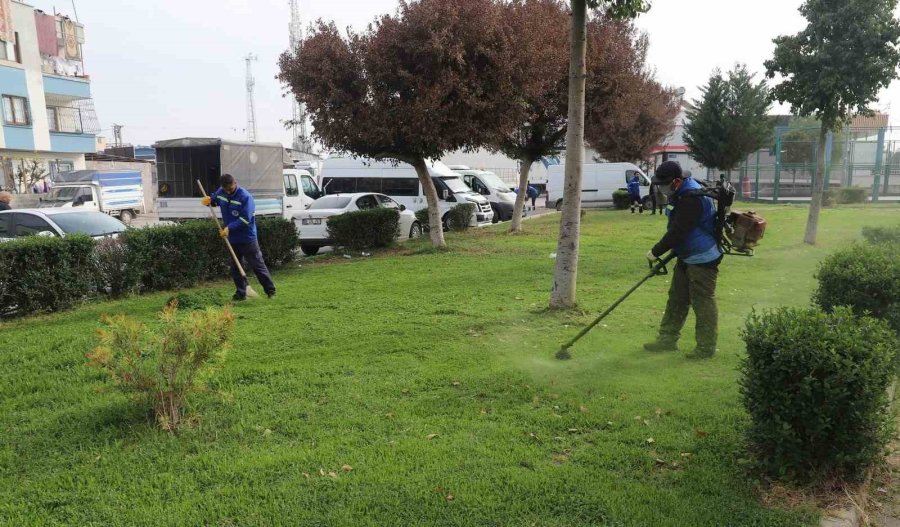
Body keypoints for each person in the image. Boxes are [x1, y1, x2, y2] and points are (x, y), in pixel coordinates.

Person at [643, 161, 722, 359]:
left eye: (664, 184)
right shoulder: (681, 191)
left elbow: (678, 231)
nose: (661, 188)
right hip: (687, 254)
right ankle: (666, 340)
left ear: (677, 181)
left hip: (702, 257)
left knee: (702, 303)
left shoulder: (691, 199)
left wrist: (656, 251)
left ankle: (705, 348)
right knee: (677, 299)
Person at [201, 173, 276, 301]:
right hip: (232, 238)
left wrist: (229, 228)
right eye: (226, 189)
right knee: (235, 266)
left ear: (235, 183)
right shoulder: (222, 191)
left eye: (230, 188)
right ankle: (241, 292)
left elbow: (245, 219)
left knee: (257, 265)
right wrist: (210, 201)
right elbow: (216, 199)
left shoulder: (245, 197)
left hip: (247, 237)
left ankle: (270, 291)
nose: (228, 191)